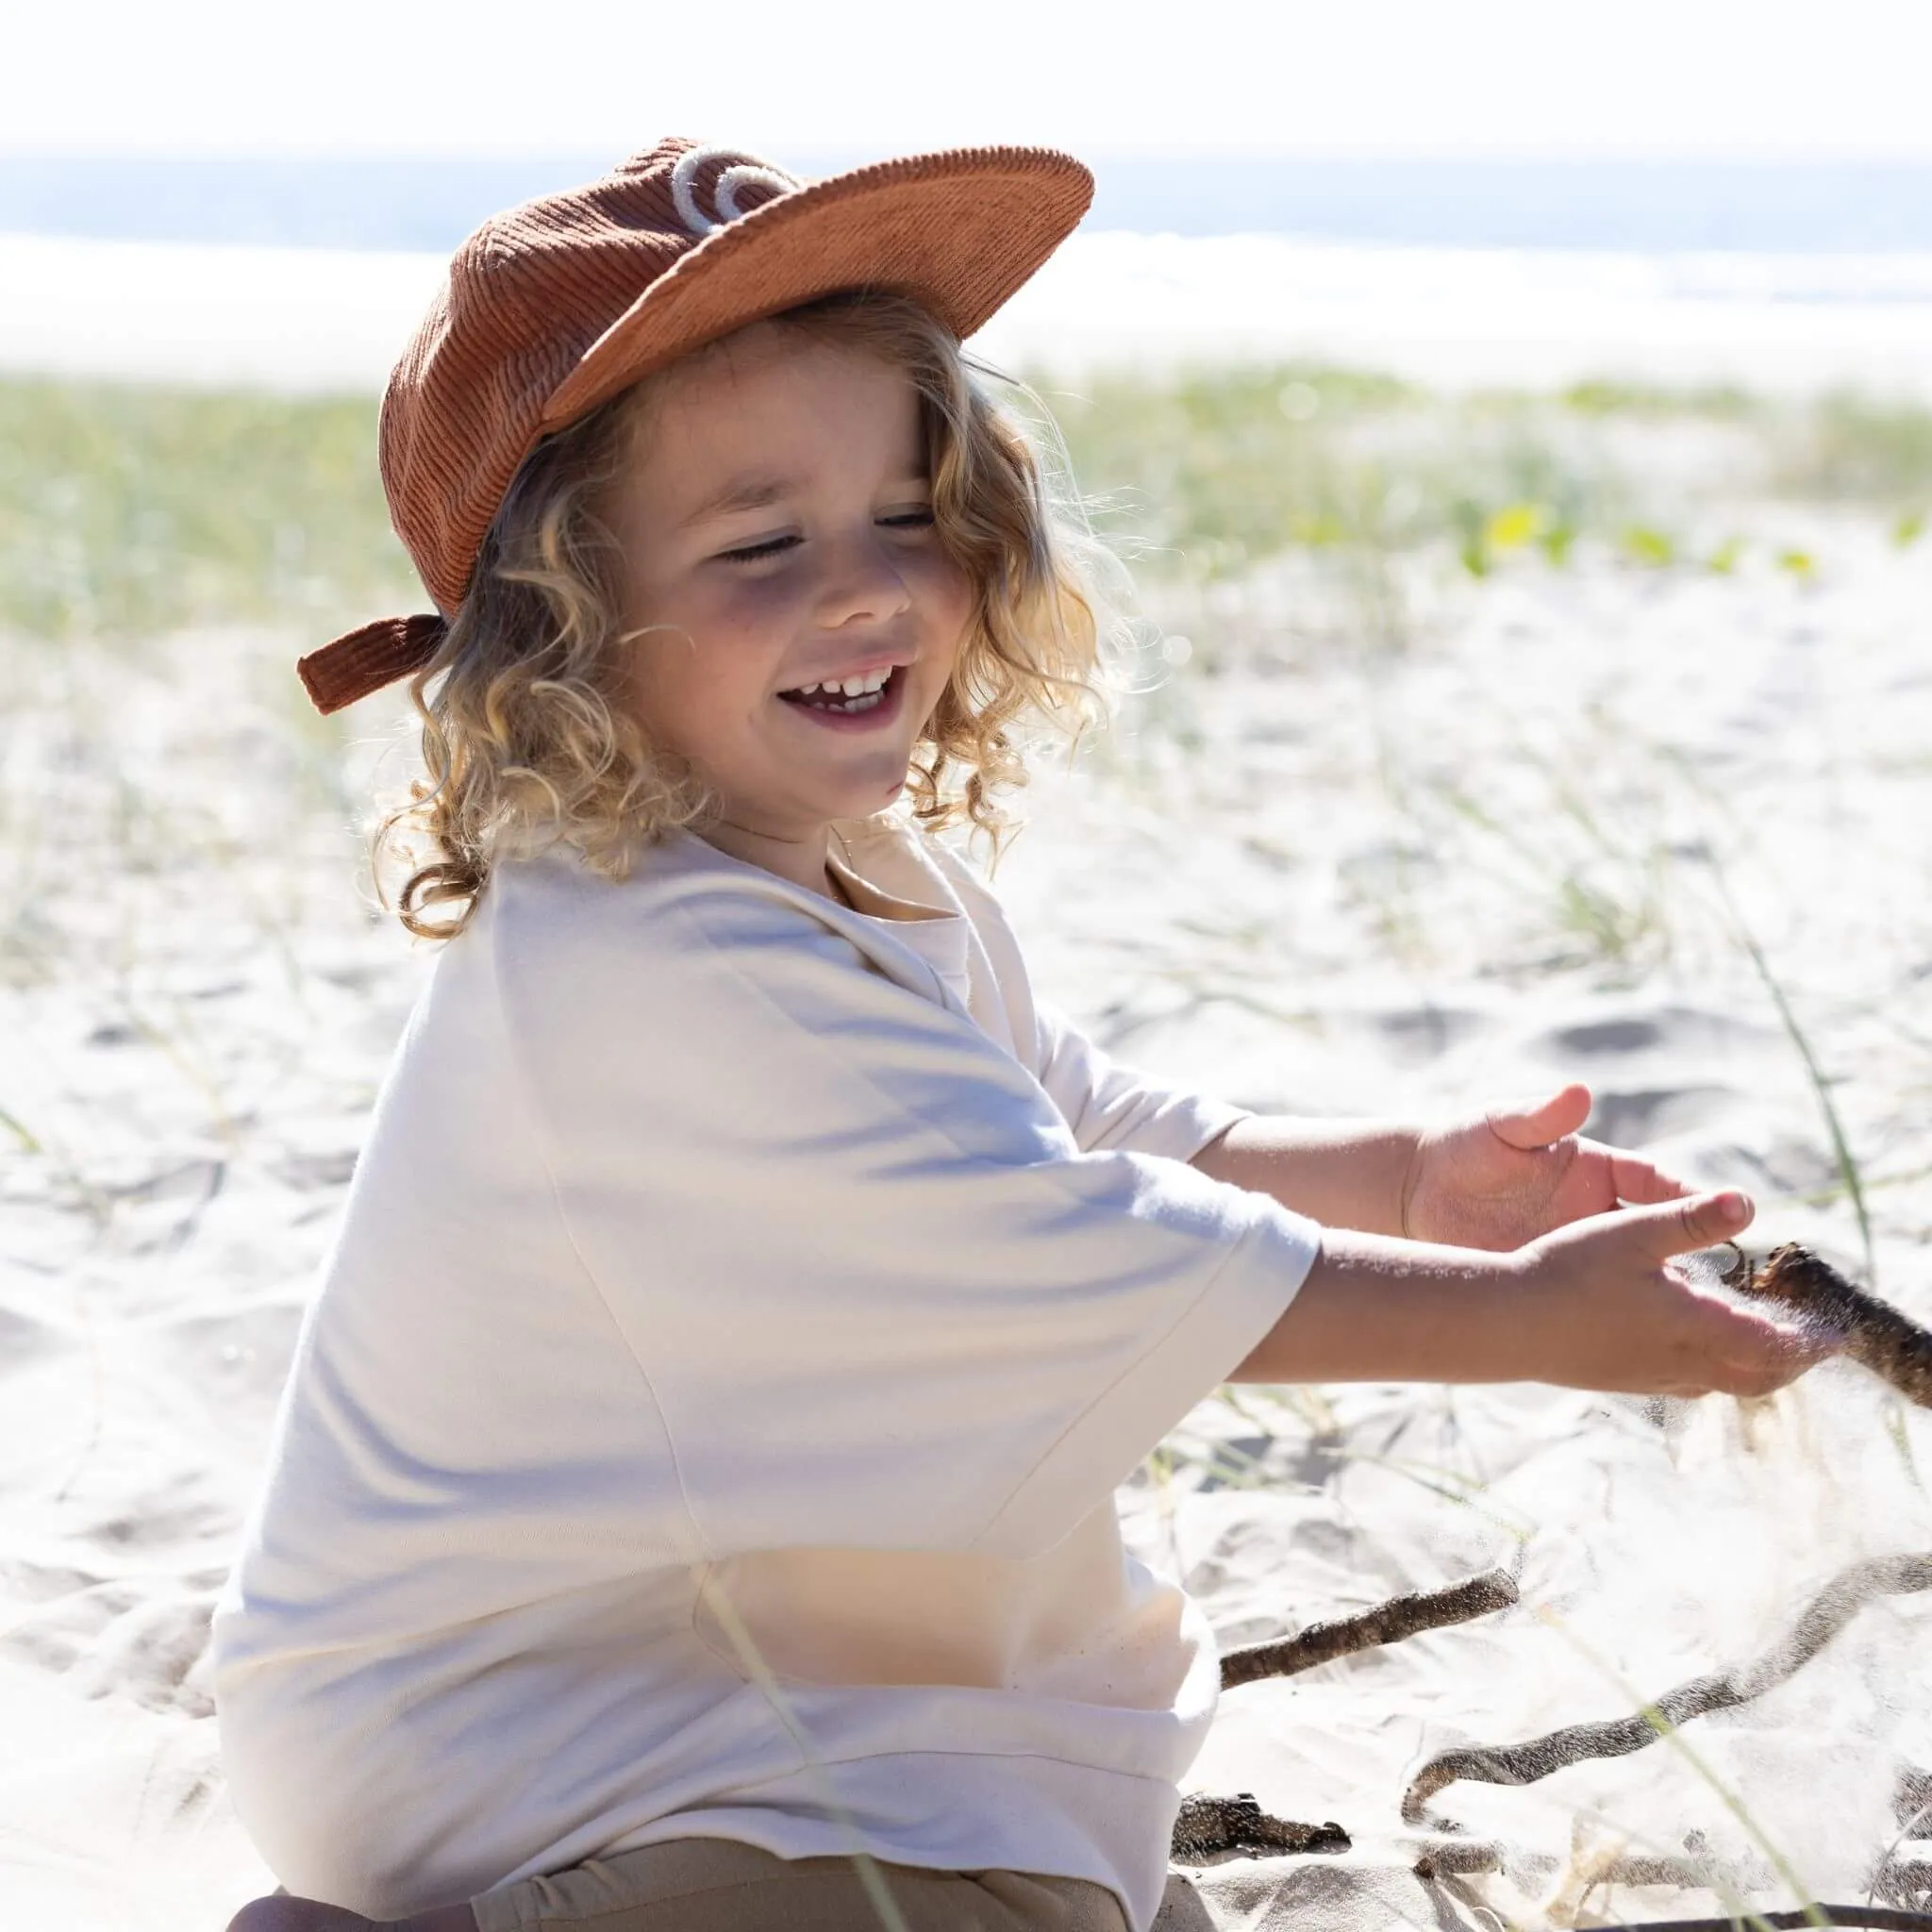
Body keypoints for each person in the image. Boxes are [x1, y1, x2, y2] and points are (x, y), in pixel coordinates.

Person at [211, 139, 1834, 1932]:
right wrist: (1522, 1326)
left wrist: (1415, 1188)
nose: (868, 586)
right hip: (516, 1737)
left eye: (912, 517)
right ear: (563, 634)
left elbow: (1093, 1134)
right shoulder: (648, 972)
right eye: (762, 542)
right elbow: (1088, 1249)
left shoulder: (841, 881)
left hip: (689, 1686)